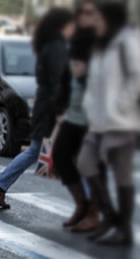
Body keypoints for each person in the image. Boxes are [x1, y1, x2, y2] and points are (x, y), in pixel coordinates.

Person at [0, 8, 75, 208]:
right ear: (63, 26)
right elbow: (56, 83)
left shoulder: (51, 46)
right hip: (51, 111)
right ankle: (90, 204)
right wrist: (62, 110)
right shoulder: (57, 48)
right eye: (71, 25)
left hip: (47, 108)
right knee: (60, 153)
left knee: (38, 151)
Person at [77, 1, 140, 246]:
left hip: (122, 123)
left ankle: (123, 229)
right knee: (85, 162)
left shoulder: (126, 42)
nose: (96, 24)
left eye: (100, 20)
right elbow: (94, 83)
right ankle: (111, 216)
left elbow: (136, 77)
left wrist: (119, 107)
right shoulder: (101, 47)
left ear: (111, 21)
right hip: (99, 123)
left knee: (122, 175)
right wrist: (91, 107)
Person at [52, 0, 101, 231]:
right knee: (60, 157)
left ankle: (94, 212)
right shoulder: (77, 41)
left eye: (88, 13)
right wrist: (60, 110)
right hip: (73, 113)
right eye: (80, 12)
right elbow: (65, 77)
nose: (83, 16)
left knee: (92, 165)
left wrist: (85, 73)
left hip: (96, 116)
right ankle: (81, 205)